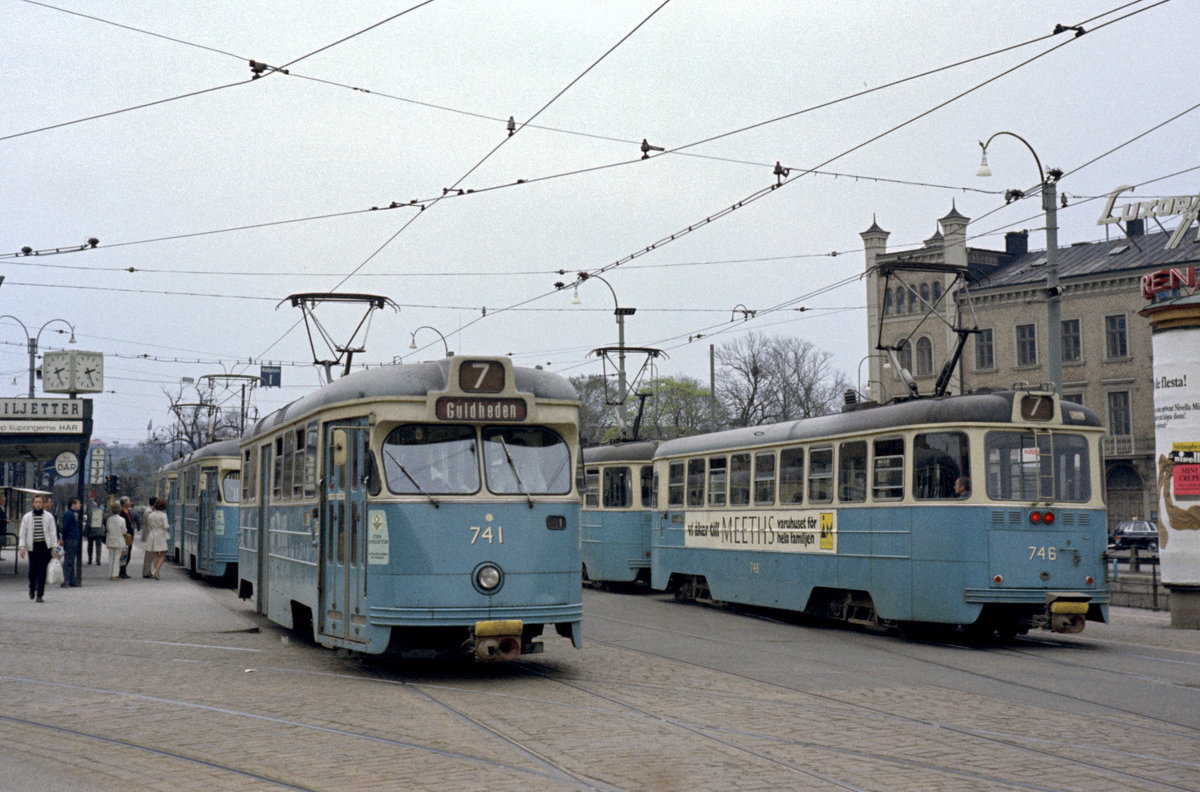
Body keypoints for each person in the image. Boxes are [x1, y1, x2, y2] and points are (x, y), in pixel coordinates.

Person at [18, 494, 59, 603]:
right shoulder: (27, 517)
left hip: (45, 546)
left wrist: (54, 548)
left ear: (43, 503)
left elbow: (52, 533)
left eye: (40, 502)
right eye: (36, 502)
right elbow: (23, 534)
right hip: (33, 546)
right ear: (33, 503)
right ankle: (32, 587)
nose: (38, 504)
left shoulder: (49, 517)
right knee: (32, 571)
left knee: (42, 571)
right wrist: (22, 547)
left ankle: (40, 594)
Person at [60, 497, 83, 587]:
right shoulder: (69, 514)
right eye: (78, 503)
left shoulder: (72, 514)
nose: (80, 505)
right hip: (70, 538)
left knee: (71, 559)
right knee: (69, 560)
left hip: (72, 537)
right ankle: (66, 580)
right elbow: (65, 527)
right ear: (73, 504)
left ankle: (71, 580)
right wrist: (63, 538)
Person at [144, 498, 170, 579]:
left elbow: (149, 525)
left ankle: (156, 573)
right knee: (163, 554)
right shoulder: (163, 515)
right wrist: (168, 527)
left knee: (155, 555)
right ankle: (155, 570)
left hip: (152, 534)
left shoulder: (151, 515)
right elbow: (165, 526)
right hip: (161, 535)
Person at [104, 504, 128, 581]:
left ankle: (110, 574)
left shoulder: (109, 519)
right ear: (119, 510)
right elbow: (124, 530)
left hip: (110, 539)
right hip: (119, 540)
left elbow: (107, 528)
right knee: (117, 557)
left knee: (111, 557)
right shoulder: (122, 520)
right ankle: (115, 574)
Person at [118, 497, 135, 579]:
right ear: (125, 503)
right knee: (124, 553)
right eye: (129, 501)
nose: (130, 502)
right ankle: (121, 571)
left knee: (128, 553)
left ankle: (124, 571)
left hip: (129, 535)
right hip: (125, 535)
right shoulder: (121, 512)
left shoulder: (128, 512)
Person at [141, 497, 157, 578]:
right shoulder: (149, 512)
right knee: (149, 555)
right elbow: (150, 524)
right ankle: (146, 572)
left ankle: (147, 571)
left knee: (149, 555)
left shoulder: (149, 511)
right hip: (149, 535)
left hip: (149, 535)